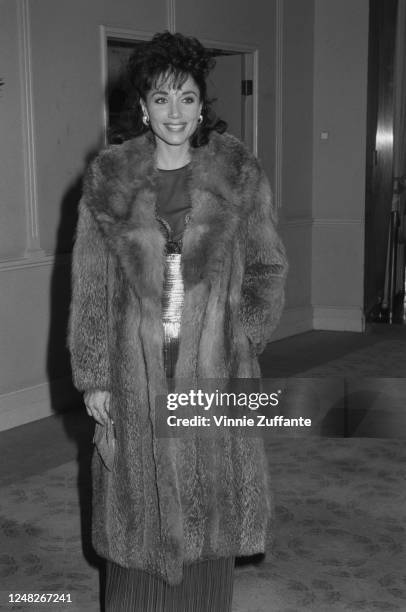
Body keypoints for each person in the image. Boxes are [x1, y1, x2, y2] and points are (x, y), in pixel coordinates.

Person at [68, 31, 288, 612]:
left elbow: (267, 265)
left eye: (186, 98)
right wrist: (93, 375)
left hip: (213, 365)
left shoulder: (238, 174)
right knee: (136, 503)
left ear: (201, 105)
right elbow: (90, 284)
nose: (174, 112)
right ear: (142, 106)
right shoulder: (108, 180)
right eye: (161, 98)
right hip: (132, 364)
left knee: (207, 500)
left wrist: (243, 336)